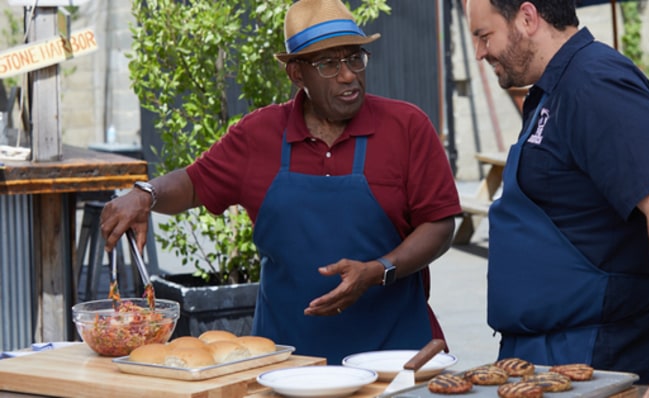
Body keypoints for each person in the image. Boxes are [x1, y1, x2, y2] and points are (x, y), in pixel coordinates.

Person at [100, 0, 461, 364]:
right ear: (296, 74)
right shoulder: (260, 134)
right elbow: (194, 183)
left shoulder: (407, 127)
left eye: (354, 58)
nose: (349, 74)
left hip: (396, 359)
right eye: (329, 64)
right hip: (287, 363)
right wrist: (146, 194)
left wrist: (378, 270)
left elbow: (440, 224)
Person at [465, 0, 649, 396]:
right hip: (546, 352)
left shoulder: (595, 82)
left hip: (594, 354)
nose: (479, 52)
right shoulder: (553, 88)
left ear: (527, 18)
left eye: (484, 35)